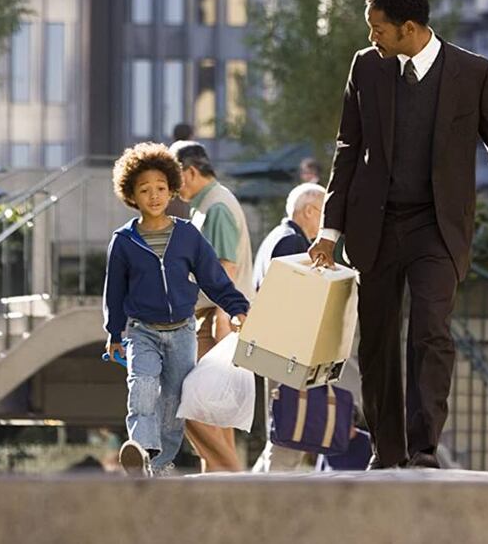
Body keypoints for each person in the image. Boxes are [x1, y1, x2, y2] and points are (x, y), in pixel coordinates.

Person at [309, 0, 488, 470]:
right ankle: (386, 451)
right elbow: (348, 149)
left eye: (379, 28)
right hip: (376, 227)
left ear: (409, 28)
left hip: (437, 230)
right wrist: (329, 231)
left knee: (431, 331)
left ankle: (423, 449)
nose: (372, 37)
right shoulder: (366, 67)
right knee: (377, 342)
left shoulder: (472, 73)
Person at [104, 142, 249, 477]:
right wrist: (114, 333)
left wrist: (237, 308)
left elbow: (214, 278)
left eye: (160, 188)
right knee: (142, 386)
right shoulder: (123, 241)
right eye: (144, 190)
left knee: (173, 402)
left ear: (172, 189)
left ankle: (158, 465)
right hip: (143, 331)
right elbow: (114, 292)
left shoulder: (187, 236)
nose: (153, 196)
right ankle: (140, 449)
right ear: (131, 195)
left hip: (183, 332)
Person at [170, 140, 255, 472]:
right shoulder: (208, 204)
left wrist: (222, 325)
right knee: (215, 408)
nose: (172, 189)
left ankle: (231, 476)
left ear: (190, 172)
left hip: (217, 319)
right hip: (215, 318)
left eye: (174, 179)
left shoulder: (216, 206)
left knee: (188, 399)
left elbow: (225, 271)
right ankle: (223, 484)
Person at [250, 182, 325, 472]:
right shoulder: (292, 242)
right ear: (309, 211)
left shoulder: (276, 237)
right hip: (286, 350)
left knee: (284, 430)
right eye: (324, 213)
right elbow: (292, 299)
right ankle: (268, 493)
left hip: (274, 346)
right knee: (291, 432)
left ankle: (256, 487)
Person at [166, 124, 196, 219]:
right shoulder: (192, 155)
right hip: (185, 200)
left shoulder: (168, 153)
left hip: (170, 200)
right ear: (190, 136)